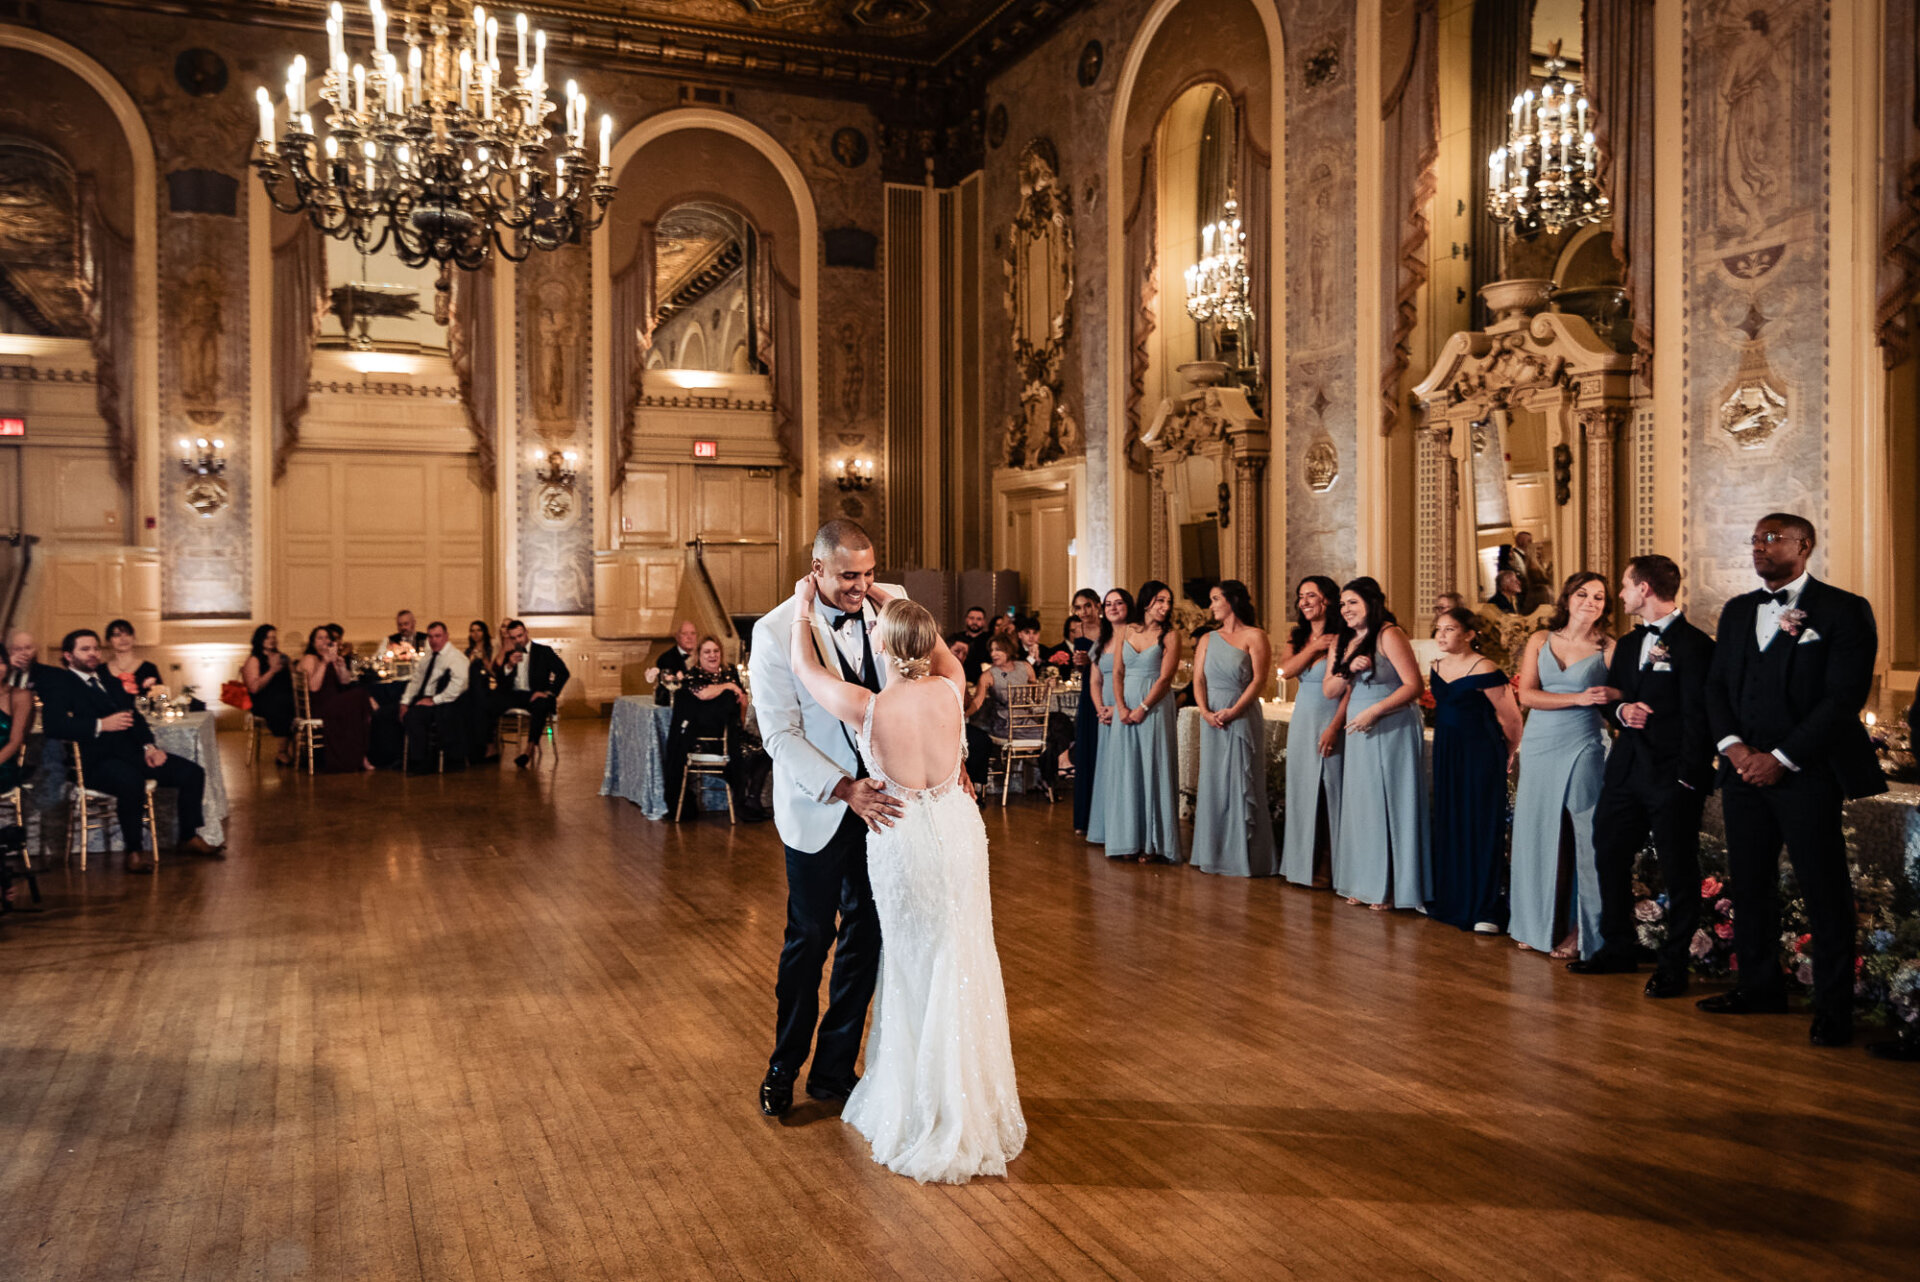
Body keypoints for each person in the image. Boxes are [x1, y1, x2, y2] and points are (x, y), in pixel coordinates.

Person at [784, 583, 1023, 1183]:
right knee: (962, 953)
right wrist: (897, 596)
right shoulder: (950, 687)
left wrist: (802, 609)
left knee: (916, 964)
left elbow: (803, 668)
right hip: (958, 830)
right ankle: (971, 1103)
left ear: (884, 642)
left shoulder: (869, 706)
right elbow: (944, 654)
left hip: (903, 836)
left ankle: (923, 1104)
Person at [1702, 513, 1884, 1048]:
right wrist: (1733, 748)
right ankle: (1758, 987)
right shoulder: (1737, 612)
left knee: (1824, 891)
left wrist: (1781, 756)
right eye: (1755, 539)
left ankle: (1833, 1009)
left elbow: (1843, 698)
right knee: (1750, 884)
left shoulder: (1843, 610)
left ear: (1804, 546)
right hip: (1741, 774)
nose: (1758, 546)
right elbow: (1716, 689)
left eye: (1771, 538)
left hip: (1806, 775)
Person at [748, 520, 911, 1118]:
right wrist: (845, 789)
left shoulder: (889, 608)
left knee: (866, 936)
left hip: (886, 806)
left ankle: (834, 1070)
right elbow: (779, 735)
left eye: (868, 573)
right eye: (849, 576)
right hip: (819, 807)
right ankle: (783, 1065)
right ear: (816, 570)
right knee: (809, 940)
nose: (861, 587)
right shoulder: (773, 632)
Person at [1567, 555, 1717, 995]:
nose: (1620, 594)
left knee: (1678, 869)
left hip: (1673, 777)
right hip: (1626, 772)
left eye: (1625, 585)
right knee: (1608, 852)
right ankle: (1618, 946)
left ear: (1645, 589)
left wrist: (1689, 777)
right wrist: (1621, 709)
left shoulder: (1697, 646)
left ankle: (1674, 965)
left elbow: (1701, 717)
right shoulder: (1629, 645)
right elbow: (1612, 698)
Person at [37, 629, 217, 871]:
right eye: (85, 649)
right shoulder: (61, 685)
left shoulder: (109, 680)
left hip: (132, 754)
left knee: (192, 772)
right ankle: (134, 852)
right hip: (96, 761)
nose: (93, 654)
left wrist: (150, 747)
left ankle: (188, 836)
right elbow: (54, 725)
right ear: (69, 656)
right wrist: (101, 725)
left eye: (95, 649)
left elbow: (136, 720)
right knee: (131, 782)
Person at [1510, 573, 1617, 959]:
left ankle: (1584, 932)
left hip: (1584, 744)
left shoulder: (1608, 647)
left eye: (1599, 597)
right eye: (1583, 593)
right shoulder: (1540, 639)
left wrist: (1607, 696)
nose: (1590, 601)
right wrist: (1577, 698)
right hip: (1538, 744)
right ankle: (1532, 923)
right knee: (1535, 831)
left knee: (1586, 838)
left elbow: (1623, 693)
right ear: (1567, 598)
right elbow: (1526, 694)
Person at [1324, 579, 1428, 909]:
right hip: (1360, 728)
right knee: (1364, 804)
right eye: (1342, 605)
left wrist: (1376, 710)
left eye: (1352, 602)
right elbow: (1329, 690)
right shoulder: (1343, 640)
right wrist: (1347, 668)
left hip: (1392, 723)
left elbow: (1414, 686)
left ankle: (1395, 887)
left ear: (1371, 602)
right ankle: (1366, 880)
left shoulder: (1388, 634)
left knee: (1392, 802)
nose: (1346, 610)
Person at [1426, 607, 1523, 932]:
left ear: (1469, 634)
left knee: (1481, 824)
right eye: (1438, 629)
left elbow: (1512, 719)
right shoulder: (1436, 666)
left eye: (1449, 629)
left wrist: (1506, 753)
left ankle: (1484, 907)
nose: (1441, 635)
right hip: (1447, 753)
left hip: (1481, 752)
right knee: (1450, 820)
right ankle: (1451, 899)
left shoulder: (1486, 667)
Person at [1191, 580, 1276, 877]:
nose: (1211, 605)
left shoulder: (1255, 636)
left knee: (1243, 779)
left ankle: (1246, 856)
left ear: (1233, 600)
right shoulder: (1206, 639)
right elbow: (1198, 679)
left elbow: (1259, 680)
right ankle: (1212, 852)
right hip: (1212, 718)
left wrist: (1234, 711)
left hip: (1240, 715)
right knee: (1214, 782)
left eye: (1216, 599)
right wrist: (1204, 711)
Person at [1101, 580, 1183, 863]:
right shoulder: (1125, 631)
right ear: (1147, 601)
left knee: (1153, 768)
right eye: (1161, 600)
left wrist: (1143, 707)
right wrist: (1121, 707)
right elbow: (1117, 672)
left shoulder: (1170, 635)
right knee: (1127, 770)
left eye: (1168, 602)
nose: (1165, 607)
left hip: (1155, 707)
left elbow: (1165, 678)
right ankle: (1127, 839)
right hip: (1125, 706)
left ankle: (1153, 844)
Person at [1279, 576, 1346, 888]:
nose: (1303, 602)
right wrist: (1315, 647)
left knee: (1332, 790)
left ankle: (1333, 866)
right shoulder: (1298, 637)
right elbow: (1287, 671)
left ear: (1327, 600)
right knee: (1304, 790)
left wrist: (1335, 726)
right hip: (1304, 718)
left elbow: (1349, 687)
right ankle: (1300, 864)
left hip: (1332, 717)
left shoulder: (1344, 636)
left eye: (1310, 596)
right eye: (1300, 596)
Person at [664, 636, 752, 820]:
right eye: (707, 652)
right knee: (744, 754)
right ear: (699, 656)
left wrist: (742, 709)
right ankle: (741, 801)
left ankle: (751, 800)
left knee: (764, 752)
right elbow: (703, 694)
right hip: (704, 740)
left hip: (729, 736)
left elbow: (741, 706)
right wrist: (728, 686)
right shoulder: (694, 675)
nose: (712, 655)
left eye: (716, 651)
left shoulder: (730, 672)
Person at [1083, 588, 1134, 847]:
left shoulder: (1136, 636)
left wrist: (1119, 708)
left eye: (1119, 603)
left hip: (1127, 709)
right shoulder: (1101, 642)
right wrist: (1100, 707)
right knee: (1107, 768)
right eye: (1108, 604)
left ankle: (1126, 831)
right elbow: (1095, 681)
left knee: (1124, 770)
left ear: (1129, 606)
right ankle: (1107, 828)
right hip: (1105, 712)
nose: (1113, 608)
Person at [492, 619, 570, 768]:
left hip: (536, 694)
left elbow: (563, 672)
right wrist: (509, 665)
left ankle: (528, 750)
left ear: (526, 633)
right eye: (513, 638)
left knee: (540, 705)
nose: (518, 640)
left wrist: (549, 692)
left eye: (520, 636)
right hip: (515, 695)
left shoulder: (543, 651)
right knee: (489, 701)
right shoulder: (509, 653)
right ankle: (489, 748)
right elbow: (501, 682)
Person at [299, 625, 374, 773]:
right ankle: (359, 757)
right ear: (313, 642)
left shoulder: (331, 658)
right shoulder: (310, 658)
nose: (324, 641)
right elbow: (313, 687)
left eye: (327, 638)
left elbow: (345, 682)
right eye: (320, 638)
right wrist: (324, 663)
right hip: (319, 706)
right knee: (360, 696)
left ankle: (360, 755)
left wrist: (340, 666)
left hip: (334, 703)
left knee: (359, 698)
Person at [399, 622, 468, 773]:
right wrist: (405, 702)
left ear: (446, 636)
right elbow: (416, 680)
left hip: (445, 703)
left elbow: (458, 686)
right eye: (430, 636)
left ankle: (421, 761)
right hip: (424, 698)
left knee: (414, 716)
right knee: (386, 715)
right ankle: (392, 759)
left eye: (437, 636)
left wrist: (434, 700)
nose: (433, 640)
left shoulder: (456, 658)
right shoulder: (429, 656)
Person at [1065, 588, 1104, 834]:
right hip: (1087, 692)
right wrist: (1079, 666)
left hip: (1107, 688)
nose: (1083, 612)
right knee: (1087, 748)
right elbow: (1081, 669)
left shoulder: (1110, 629)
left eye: (1087, 606)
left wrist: (1092, 662)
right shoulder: (1079, 630)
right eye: (1078, 608)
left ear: (1098, 605)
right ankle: (1084, 818)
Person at [241, 624, 296, 766]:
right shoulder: (254, 660)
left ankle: (302, 751)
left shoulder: (282, 657)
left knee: (293, 705)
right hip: (263, 700)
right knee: (282, 707)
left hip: (285, 697)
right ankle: (282, 752)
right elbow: (254, 688)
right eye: (267, 637)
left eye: (274, 637)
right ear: (260, 639)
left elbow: (293, 679)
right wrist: (272, 670)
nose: (271, 640)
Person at [102, 619, 162, 696]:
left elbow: (162, 699)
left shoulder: (149, 668)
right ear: (109, 641)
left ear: (133, 638)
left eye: (128, 634)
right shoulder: (101, 670)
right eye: (117, 635)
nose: (123, 638)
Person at [647, 620, 699, 707]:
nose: (690, 637)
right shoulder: (665, 659)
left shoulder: (703, 656)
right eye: (685, 634)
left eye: (693, 633)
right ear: (677, 637)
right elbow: (668, 689)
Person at [949, 607, 991, 684]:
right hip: (958, 679)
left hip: (983, 681)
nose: (974, 622)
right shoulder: (956, 638)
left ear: (984, 622)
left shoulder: (989, 639)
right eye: (971, 618)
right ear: (966, 619)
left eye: (979, 619)